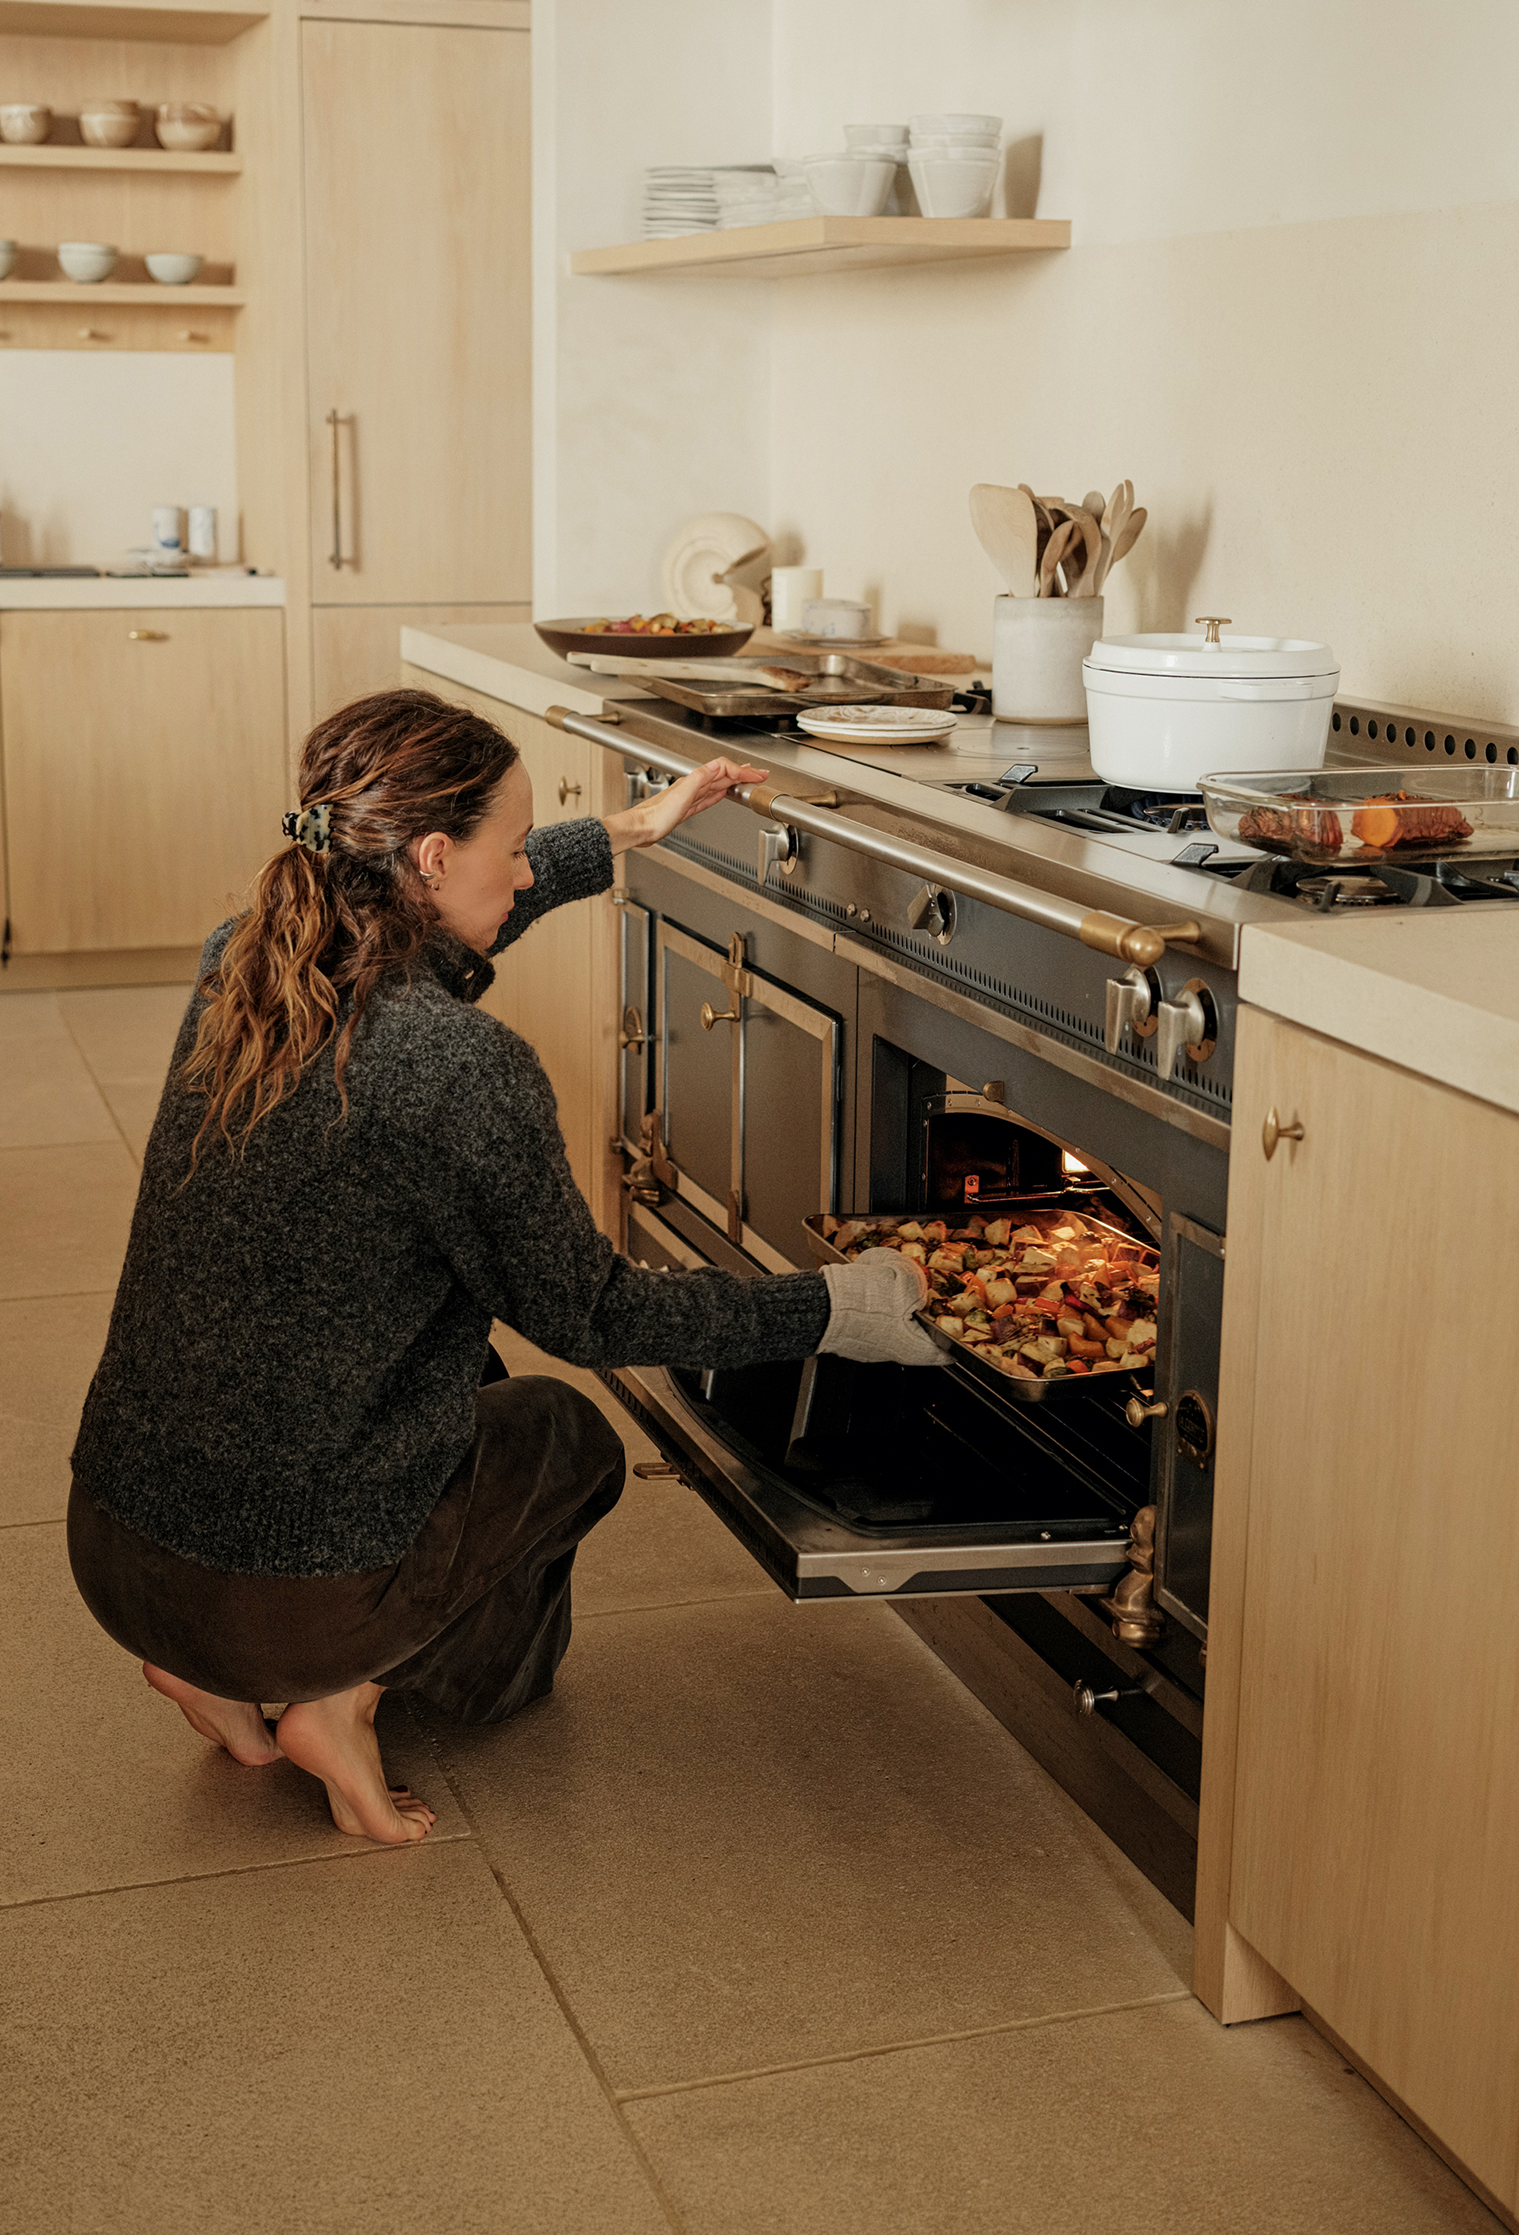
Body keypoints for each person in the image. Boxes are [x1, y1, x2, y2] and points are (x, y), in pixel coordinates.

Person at [67, 687, 939, 1844]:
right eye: (517, 849)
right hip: (277, 1603)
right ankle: (341, 1699)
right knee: (563, 1437)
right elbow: (588, 1310)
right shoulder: (461, 1069)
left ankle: (210, 1678)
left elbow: (430, 939)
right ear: (430, 855)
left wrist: (627, 832)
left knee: (454, 1357)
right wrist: (834, 1305)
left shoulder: (245, 962)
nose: (527, 875)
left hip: (120, 1554)